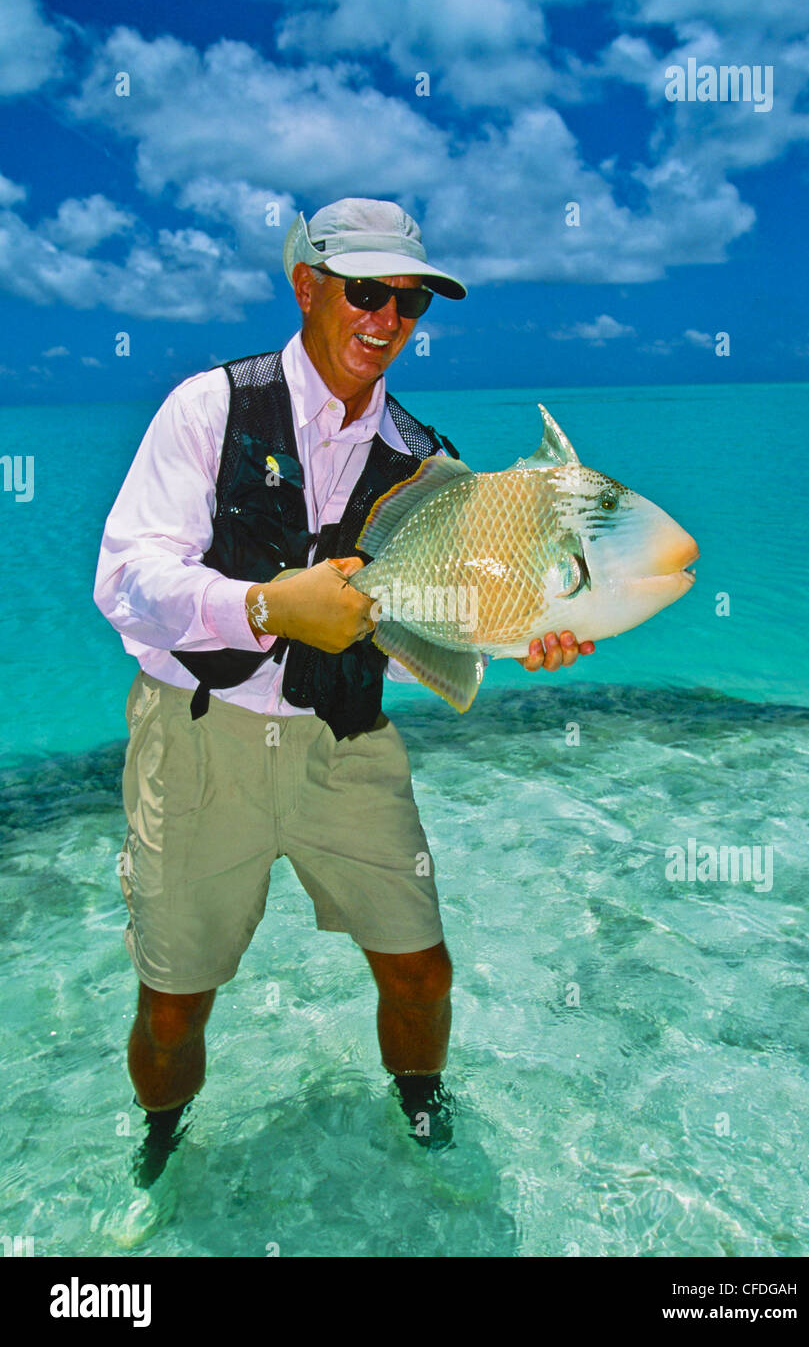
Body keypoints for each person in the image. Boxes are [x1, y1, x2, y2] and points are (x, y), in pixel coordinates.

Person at [93, 197, 594, 1183]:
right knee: (173, 997)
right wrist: (266, 607)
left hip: (349, 741)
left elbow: (417, 631)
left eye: (410, 303)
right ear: (307, 286)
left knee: (420, 965)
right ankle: (161, 1135)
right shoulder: (210, 408)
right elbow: (123, 581)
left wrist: (515, 633)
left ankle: (422, 1115)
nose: (387, 319)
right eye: (365, 291)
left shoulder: (425, 461)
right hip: (198, 737)